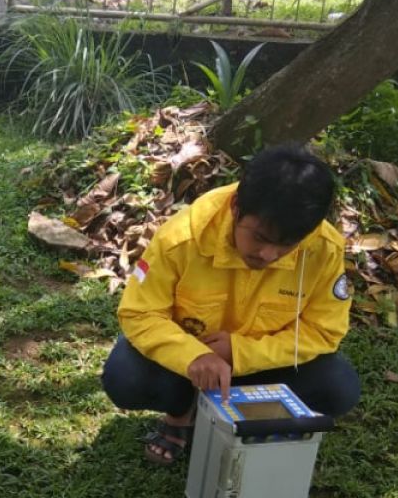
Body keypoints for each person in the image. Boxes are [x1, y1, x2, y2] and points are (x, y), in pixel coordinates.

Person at [101, 144, 360, 465]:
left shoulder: (323, 249)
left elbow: (323, 332)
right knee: (125, 376)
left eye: (287, 245)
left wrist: (239, 353)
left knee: (338, 387)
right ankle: (180, 414)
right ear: (236, 206)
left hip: (260, 362)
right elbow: (140, 313)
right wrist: (194, 355)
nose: (268, 255)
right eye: (261, 238)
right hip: (186, 366)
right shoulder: (181, 238)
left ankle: (244, 420)